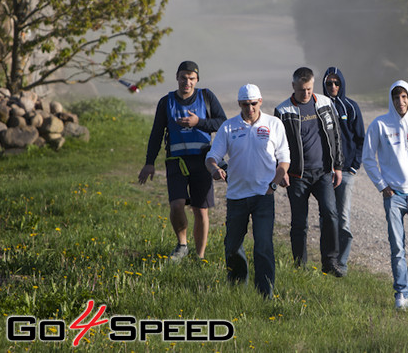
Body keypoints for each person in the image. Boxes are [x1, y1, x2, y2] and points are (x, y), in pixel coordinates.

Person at [205, 83, 290, 297]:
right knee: (232, 245)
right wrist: (215, 169)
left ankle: (265, 294)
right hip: (236, 195)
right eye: (245, 104)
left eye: (253, 104)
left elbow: (284, 160)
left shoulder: (274, 124)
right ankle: (237, 288)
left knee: (263, 246)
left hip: (263, 195)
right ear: (239, 104)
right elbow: (212, 157)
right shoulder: (229, 127)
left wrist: (274, 184)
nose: (249, 108)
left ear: (260, 101)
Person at [138, 61, 226, 261]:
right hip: (176, 161)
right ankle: (182, 245)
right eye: (183, 78)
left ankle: (200, 256)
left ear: (197, 80)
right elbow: (156, 133)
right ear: (177, 78)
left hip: (203, 160)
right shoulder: (166, 102)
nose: (187, 82)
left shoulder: (206, 97)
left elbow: (222, 122)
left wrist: (199, 123)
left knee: (200, 210)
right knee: (176, 205)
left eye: (191, 78)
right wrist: (149, 162)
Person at [362, 80, 408, 310]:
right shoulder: (380, 125)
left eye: (404, 97)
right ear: (391, 100)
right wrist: (383, 186)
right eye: (396, 97)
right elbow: (367, 158)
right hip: (393, 196)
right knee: (397, 246)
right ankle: (401, 294)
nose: (400, 102)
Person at [274, 67, 345, 277]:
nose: (306, 93)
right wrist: (281, 170)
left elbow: (336, 137)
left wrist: (338, 166)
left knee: (331, 215)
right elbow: (277, 144)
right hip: (297, 176)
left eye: (309, 89)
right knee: (299, 222)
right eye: (302, 89)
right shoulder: (283, 111)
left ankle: (330, 262)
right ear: (293, 86)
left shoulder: (325, 103)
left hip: (323, 172)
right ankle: (300, 266)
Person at [322, 67, 365, 276]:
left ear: (342, 84)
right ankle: (327, 262)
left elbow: (360, 140)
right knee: (327, 217)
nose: (333, 87)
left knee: (343, 218)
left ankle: (342, 263)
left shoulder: (351, 107)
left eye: (336, 83)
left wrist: (354, 166)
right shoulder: (318, 106)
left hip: (346, 172)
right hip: (323, 173)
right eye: (329, 83)